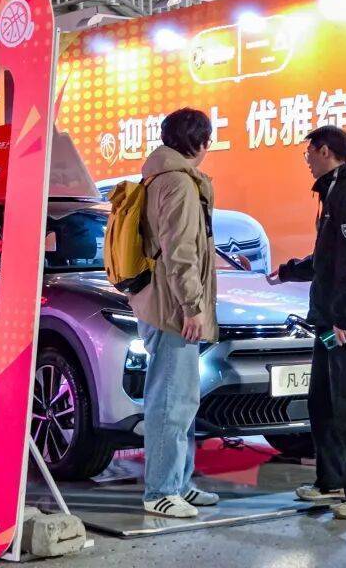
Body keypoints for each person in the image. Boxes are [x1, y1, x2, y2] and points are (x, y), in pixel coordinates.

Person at [268, 125, 346, 520]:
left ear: (325, 151)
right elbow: (326, 259)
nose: (306, 160)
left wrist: (345, 317)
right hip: (328, 324)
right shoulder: (332, 191)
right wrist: (287, 272)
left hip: (344, 325)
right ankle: (331, 481)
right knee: (324, 401)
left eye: (309, 152)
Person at [128, 107, 220, 519]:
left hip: (162, 303)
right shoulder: (179, 183)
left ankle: (178, 483)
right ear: (199, 142)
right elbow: (181, 253)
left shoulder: (159, 177)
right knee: (170, 401)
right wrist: (193, 306)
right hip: (173, 309)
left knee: (180, 399)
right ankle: (161, 491)